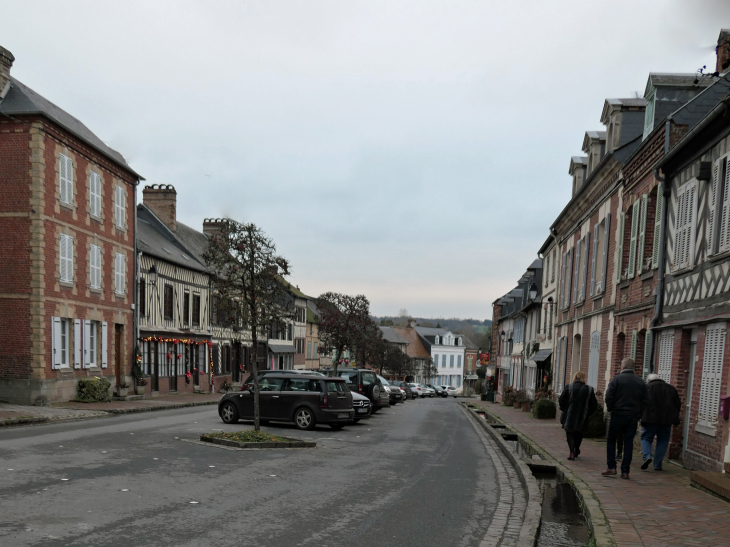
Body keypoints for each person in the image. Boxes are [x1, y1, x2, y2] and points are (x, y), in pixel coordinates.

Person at [602, 358, 650, 479]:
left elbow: (608, 396)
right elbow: (646, 401)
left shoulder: (616, 380)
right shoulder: (640, 382)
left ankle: (612, 467)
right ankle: (625, 471)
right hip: (632, 416)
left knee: (611, 440)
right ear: (634, 368)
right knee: (628, 442)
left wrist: (611, 408)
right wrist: (639, 413)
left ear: (622, 367)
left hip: (617, 414)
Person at [640, 373, 681, 471]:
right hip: (666, 421)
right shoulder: (671, 389)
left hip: (650, 419)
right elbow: (677, 404)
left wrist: (640, 415)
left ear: (649, 380)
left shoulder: (646, 388)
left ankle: (647, 456)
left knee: (646, 438)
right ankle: (657, 464)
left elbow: (641, 403)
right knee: (663, 441)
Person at [559, 370, 597, 460]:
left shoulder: (569, 387)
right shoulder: (589, 389)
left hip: (569, 415)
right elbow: (593, 405)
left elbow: (561, 400)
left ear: (575, 377)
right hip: (582, 416)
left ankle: (571, 452)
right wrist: (587, 413)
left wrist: (564, 409)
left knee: (569, 433)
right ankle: (576, 449)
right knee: (579, 434)